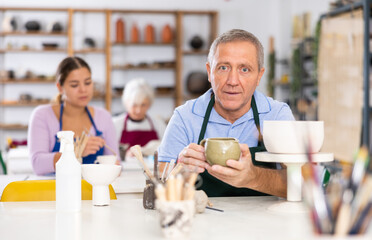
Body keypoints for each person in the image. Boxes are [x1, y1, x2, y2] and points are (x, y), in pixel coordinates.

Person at [158, 29, 295, 197]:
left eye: (244, 69)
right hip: (202, 221)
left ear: (259, 76)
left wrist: (253, 177)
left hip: (265, 221)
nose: (232, 81)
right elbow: (161, 185)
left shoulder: (277, 115)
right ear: (209, 72)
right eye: (223, 68)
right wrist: (182, 170)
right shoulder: (185, 117)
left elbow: (301, 183)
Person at [28, 56, 119, 175]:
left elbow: (116, 163)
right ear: (60, 88)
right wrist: (77, 152)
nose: (83, 90)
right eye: (74, 85)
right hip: (54, 188)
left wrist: (115, 166)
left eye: (87, 83)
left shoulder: (104, 117)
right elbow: (38, 164)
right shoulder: (42, 115)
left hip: (93, 188)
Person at [112, 78, 166, 159]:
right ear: (126, 103)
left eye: (143, 105)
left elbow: (166, 150)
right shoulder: (116, 124)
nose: (138, 110)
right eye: (134, 105)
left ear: (149, 104)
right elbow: (110, 153)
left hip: (152, 170)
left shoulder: (158, 124)